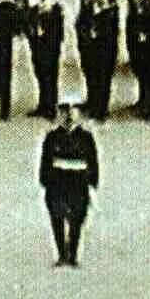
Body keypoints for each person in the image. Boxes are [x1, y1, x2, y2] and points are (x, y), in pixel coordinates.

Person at [37, 100, 100, 268]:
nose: (68, 118)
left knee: (76, 220)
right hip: (57, 182)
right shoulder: (52, 137)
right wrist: (44, 179)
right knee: (57, 218)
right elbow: (45, 159)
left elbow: (92, 160)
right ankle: (61, 254)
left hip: (77, 182)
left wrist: (93, 179)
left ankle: (72, 254)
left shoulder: (85, 137)